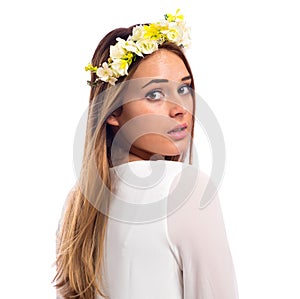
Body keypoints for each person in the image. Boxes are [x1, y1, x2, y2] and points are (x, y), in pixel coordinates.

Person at [53, 10, 239, 299]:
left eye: (184, 87)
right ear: (113, 110)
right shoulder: (185, 190)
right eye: (154, 94)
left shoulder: (79, 204)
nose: (179, 108)